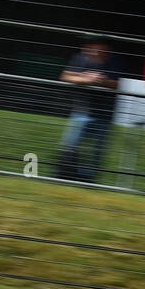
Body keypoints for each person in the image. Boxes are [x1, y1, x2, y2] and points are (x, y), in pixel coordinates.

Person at [56, 36, 120, 182]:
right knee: (70, 145)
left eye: (100, 50)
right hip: (81, 111)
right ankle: (64, 176)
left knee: (95, 152)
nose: (95, 52)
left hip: (104, 114)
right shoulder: (80, 59)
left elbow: (118, 84)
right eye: (93, 48)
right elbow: (65, 76)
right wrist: (86, 79)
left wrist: (103, 81)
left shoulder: (114, 62)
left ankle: (88, 180)